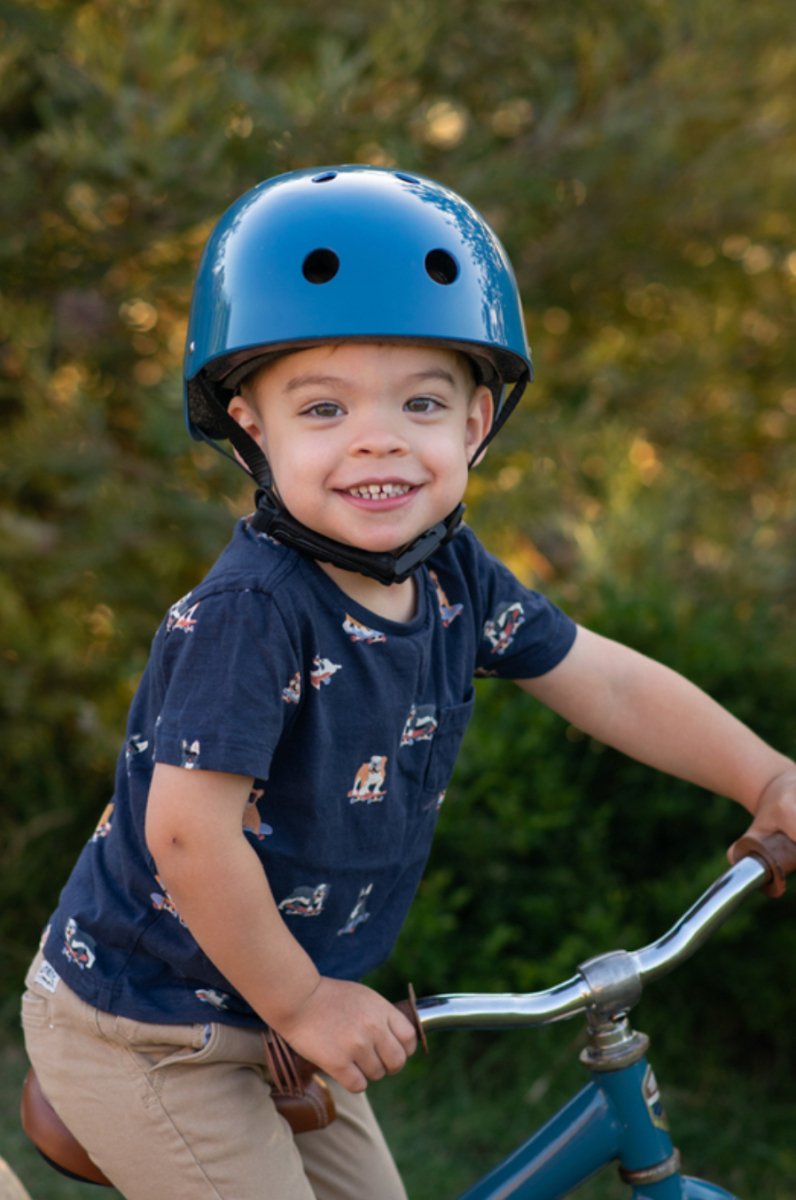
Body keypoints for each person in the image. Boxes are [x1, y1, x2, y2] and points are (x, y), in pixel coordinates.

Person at [21, 165, 796, 1200]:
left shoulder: (452, 576)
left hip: (289, 1021)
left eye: (420, 402)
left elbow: (601, 681)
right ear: (252, 424)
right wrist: (303, 1002)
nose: (378, 438)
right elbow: (185, 836)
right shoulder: (254, 612)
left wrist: (765, 778)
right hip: (154, 1024)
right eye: (324, 407)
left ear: (475, 423)